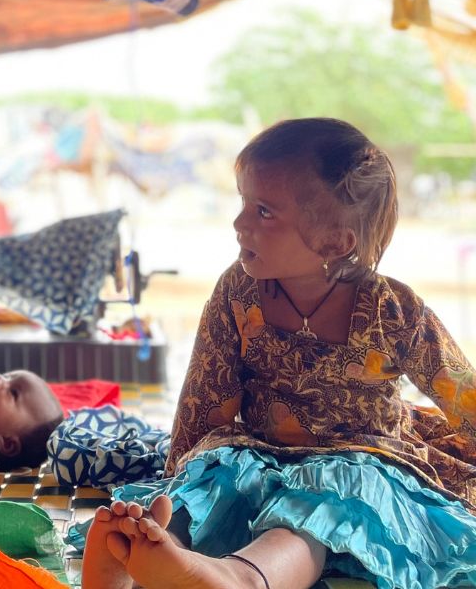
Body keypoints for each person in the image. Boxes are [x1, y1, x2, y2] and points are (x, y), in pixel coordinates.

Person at [82, 118, 476, 589]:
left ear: (335, 242)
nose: (239, 222)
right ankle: (142, 551)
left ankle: (240, 578)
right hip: (261, 457)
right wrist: (181, 481)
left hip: (360, 464)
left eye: (263, 212)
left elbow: (464, 398)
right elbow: (206, 404)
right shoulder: (239, 291)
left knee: (315, 508)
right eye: (243, 203)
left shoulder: (391, 309)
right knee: (211, 481)